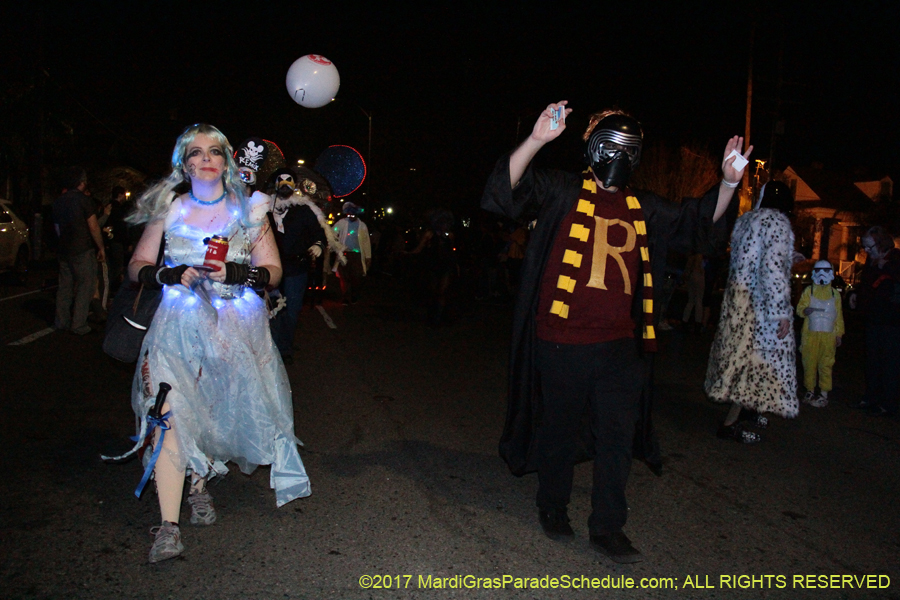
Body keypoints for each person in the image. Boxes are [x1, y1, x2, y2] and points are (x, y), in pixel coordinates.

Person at [482, 101, 749, 563]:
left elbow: (698, 223)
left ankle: (608, 525)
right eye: (610, 139)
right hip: (561, 339)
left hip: (621, 345)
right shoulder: (562, 190)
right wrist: (536, 140)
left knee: (616, 439)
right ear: (591, 142)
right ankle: (553, 505)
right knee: (560, 431)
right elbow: (505, 192)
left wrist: (727, 182)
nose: (620, 153)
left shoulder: (643, 206)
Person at [125, 124, 310, 563]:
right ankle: (168, 527)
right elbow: (137, 265)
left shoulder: (248, 209)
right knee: (169, 414)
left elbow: (273, 271)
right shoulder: (170, 208)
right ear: (183, 162)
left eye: (214, 151)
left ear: (226, 161)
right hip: (177, 327)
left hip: (233, 329)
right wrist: (166, 274)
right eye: (196, 152)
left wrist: (237, 274)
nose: (205, 158)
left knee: (207, 409)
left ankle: (198, 483)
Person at [705, 181, 798, 444]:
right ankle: (730, 424)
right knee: (752, 360)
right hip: (759, 303)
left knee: (742, 357)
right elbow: (773, 270)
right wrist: (781, 311)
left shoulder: (748, 220)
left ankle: (748, 411)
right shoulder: (776, 223)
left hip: (739, 298)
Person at [268, 167, 333, 364]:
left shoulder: (304, 210)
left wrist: (318, 244)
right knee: (271, 309)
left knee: (292, 309)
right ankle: (273, 348)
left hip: (296, 268)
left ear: (294, 185)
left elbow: (318, 232)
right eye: (281, 180)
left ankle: (284, 348)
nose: (285, 184)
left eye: (289, 180)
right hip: (270, 266)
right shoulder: (264, 208)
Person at [848, 226, 900, 416]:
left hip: (892, 323)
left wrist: (884, 268)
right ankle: (871, 397)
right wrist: (855, 294)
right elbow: (867, 285)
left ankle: (888, 403)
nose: (866, 251)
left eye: (869, 247)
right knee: (872, 360)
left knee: (890, 363)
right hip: (873, 319)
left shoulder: (895, 260)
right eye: (865, 247)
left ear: (880, 243)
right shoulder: (872, 261)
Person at [52, 167, 106, 335]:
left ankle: (61, 321)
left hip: (64, 249)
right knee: (86, 286)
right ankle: (79, 324)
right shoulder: (84, 201)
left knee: (64, 286)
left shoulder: (58, 201)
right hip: (82, 248)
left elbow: (56, 227)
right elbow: (93, 226)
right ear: (82, 182)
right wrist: (101, 247)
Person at [796, 260, 844, 407]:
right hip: (810, 334)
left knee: (826, 364)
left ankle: (824, 393)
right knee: (809, 363)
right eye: (818, 270)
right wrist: (805, 311)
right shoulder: (808, 292)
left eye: (825, 270)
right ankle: (809, 390)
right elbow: (799, 309)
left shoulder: (835, 294)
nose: (821, 273)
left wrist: (839, 334)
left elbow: (838, 315)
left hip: (828, 335)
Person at [333, 202, 371, 304]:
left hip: (357, 255)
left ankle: (354, 295)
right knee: (344, 277)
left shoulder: (362, 226)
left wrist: (368, 256)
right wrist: (336, 246)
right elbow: (332, 233)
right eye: (349, 214)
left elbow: (366, 241)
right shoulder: (341, 223)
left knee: (356, 277)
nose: (351, 216)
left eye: (353, 214)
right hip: (344, 254)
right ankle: (345, 297)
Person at [681, 253, 706, 332]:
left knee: (691, 300)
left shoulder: (692, 255)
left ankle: (684, 321)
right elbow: (701, 267)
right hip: (698, 275)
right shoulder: (701, 255)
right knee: (699, 300)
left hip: (691, 276)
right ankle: (697, 323)